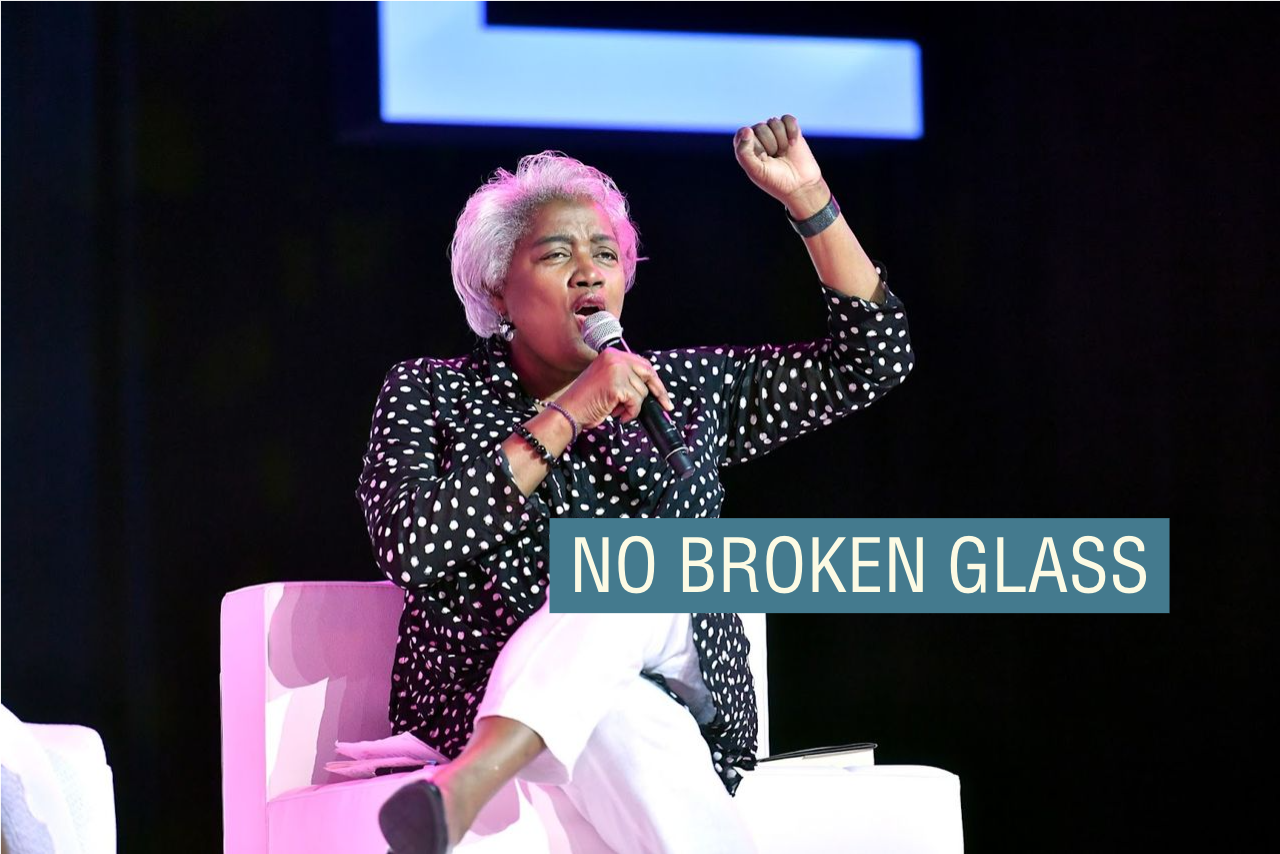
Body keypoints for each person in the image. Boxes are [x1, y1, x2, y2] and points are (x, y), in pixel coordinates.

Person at [357, 114, 914, 853]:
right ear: (497, 288)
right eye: (557, 254)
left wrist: (809, 198)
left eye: (606, 254)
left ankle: (469, 786)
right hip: (494, 688)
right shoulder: (432, 392)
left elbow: (872, 359)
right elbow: (412, 546)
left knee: (635, 568)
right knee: (616, 711)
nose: (590, 270)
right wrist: (567, 415)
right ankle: (486, 763)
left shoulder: (679, 387)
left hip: (683, 667)